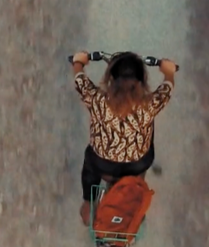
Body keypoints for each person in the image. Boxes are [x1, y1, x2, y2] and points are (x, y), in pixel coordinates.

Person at [70, 49, 177, 227]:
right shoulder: (150, 105)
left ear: (111, 80)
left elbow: (79, 78)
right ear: (142, 81)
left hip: (102, 165)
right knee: (146, 147)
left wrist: (79, 62)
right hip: (137, 166)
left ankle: (89, 204)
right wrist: (168, 71)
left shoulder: (97, 101)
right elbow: (168, 85)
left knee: (90, 157)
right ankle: (135, 192)